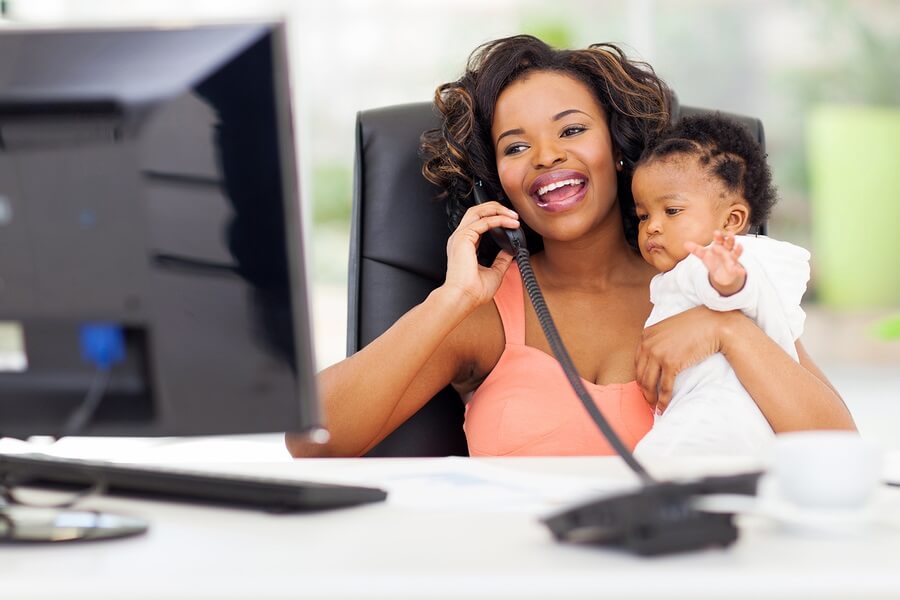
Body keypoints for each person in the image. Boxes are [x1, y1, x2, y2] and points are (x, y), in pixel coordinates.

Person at [286, 35, 855, 458]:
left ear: (619, 147)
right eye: (515, 146)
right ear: (495, 180)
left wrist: (728, 331)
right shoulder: (484, 311)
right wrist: (449, 301)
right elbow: (310, 440)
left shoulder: (705, 283)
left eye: (572, 130)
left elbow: (838, 448)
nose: (546, 156)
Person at [630, 114, 813, 457]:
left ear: (731, 221)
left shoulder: (714, 259)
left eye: (671, 210)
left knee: (659, 460)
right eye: (643, 215)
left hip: (721, 410)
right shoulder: (686, 267)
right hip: (711, 411)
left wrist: (727, 282)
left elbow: (739, 290)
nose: (652, 226)